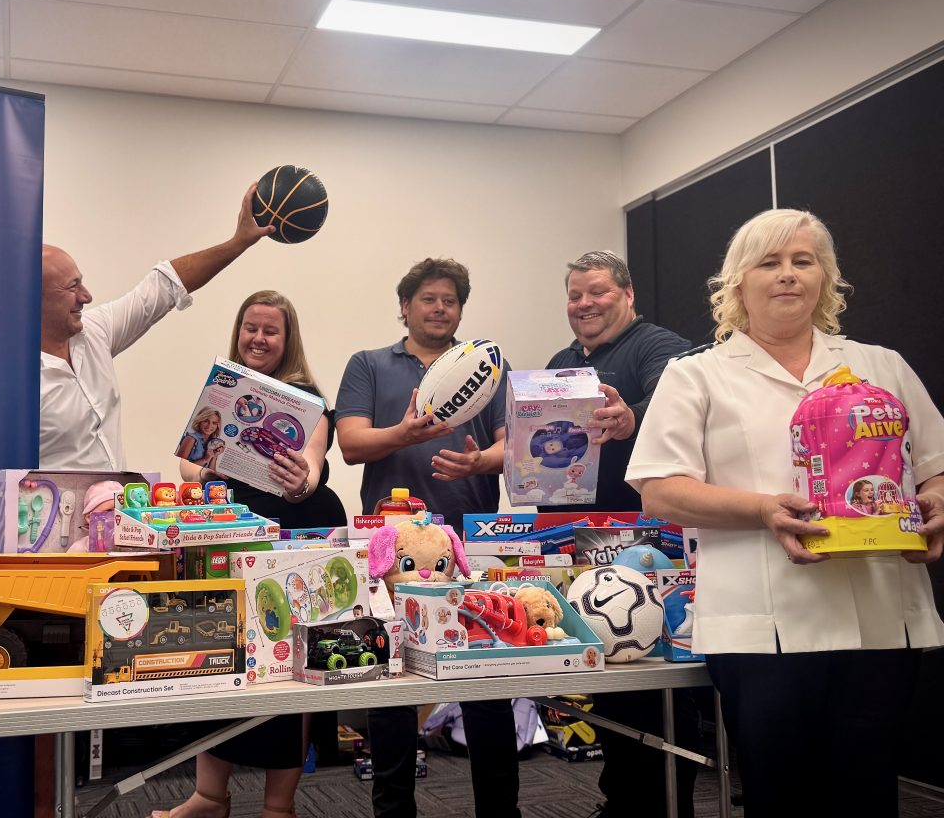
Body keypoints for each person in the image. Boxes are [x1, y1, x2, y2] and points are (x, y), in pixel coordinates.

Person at [626, 209, 944, 817]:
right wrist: (763, 509)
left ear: (826, 277)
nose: (788, 274)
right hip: (761, 627)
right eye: (768, 262)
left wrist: (936, 503)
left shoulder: (883, 366)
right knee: (779, 796)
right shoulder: (696, 375)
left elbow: (935, 464)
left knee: (870, 792)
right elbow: (660, 491)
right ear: (737, 283)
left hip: (879, 615)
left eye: (804, 261)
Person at [336, 258, 520, 818]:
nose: (440, 308)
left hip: (468, 544)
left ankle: (500, 812)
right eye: (428, 299)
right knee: (392, 686)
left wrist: (479, 462)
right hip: (390, 555)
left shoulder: (487, 366)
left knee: (486, 684)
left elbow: (513, 445)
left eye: (450, 300)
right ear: (405, 306)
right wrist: (403, 433)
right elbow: (351, 444)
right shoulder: (368, 364)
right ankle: (393, 811)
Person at [155, 291, 347, 818]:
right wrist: (209, 467)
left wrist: (300, 479)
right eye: (250, 328)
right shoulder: (222, 389)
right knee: (220, 653)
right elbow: (189, 465)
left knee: (292, 664)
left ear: (288, 339)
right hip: (230, 530)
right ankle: (209, 797)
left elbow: (311, 466)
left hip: (295, 530)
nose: (258, 338)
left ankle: (278, 807)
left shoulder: (308, 401)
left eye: (270, 330)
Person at [539, 250, 698, 818]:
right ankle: (623, 802)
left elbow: (673, 402)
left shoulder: (657, 345)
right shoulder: (561, 362)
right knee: (608, 684)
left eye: (598, 291)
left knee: (656, 689)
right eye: (575, 295)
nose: (584, 303)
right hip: (576, 543)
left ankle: (664, 807)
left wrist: (632, 416)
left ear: (628, 295)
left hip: (646, 546)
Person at [39, 183, 274, 470]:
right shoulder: (15, 380)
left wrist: (238, 243)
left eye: (82, 282)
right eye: (72, 287)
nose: (86, 296)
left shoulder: (94, 331)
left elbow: (163, 286)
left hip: (117, 497)